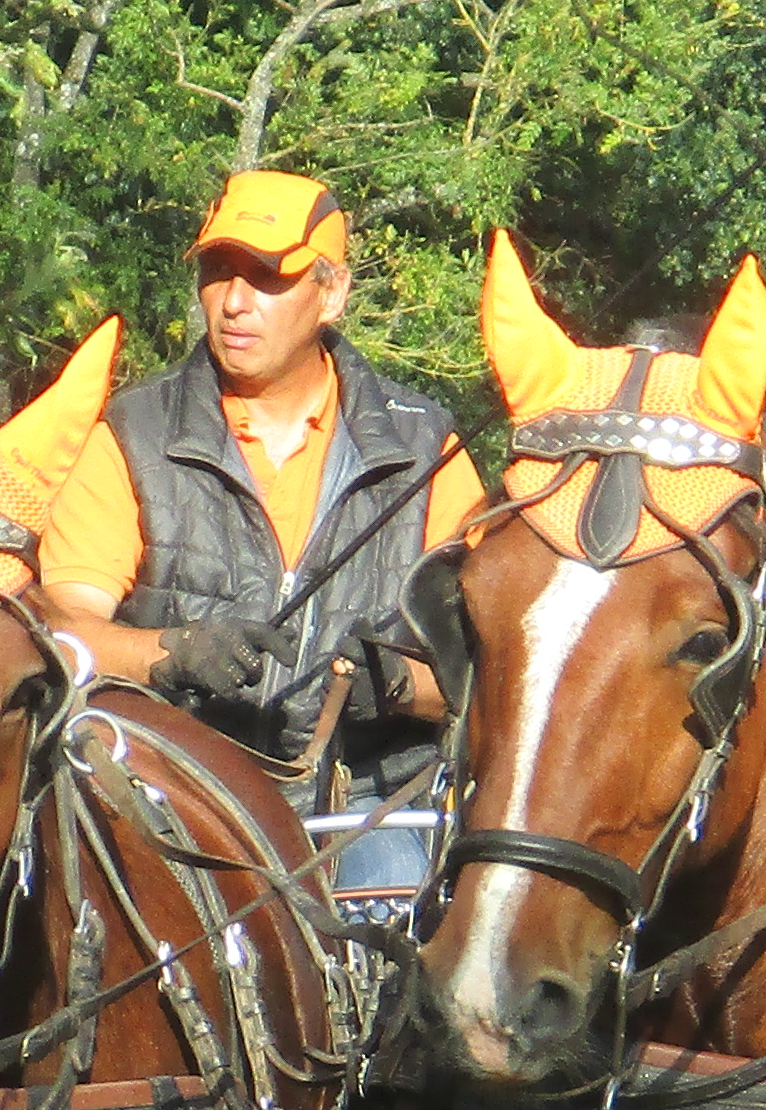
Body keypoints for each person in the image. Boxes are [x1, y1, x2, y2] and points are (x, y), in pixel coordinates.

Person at [40, 169, 485, 800]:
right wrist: (169, 652)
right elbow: (60, 630)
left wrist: (395, 685)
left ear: (332, 296)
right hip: (171, 797)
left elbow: (495, 673)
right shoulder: (130, 433)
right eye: (217, 270)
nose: (234, 301)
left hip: (360, 804)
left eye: (269, 277)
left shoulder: (426, 450)